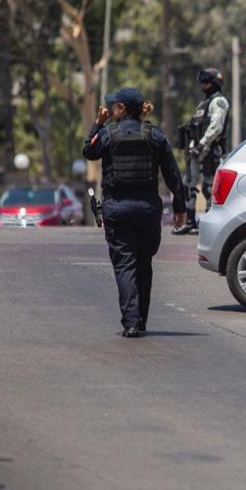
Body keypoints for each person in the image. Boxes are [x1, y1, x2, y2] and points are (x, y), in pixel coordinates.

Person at [82, 87, 187, 338]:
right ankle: (140, 320)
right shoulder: (156, 135)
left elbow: (89, 151)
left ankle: (131, 322)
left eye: (113, 105)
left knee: (125, 266)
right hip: (148, 209)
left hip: (117, 208)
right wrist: (181, 208)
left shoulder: (107, 134)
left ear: (121, 109)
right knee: (144, 265)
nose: (108, 109)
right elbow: (173, 174)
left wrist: (97, 124)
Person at [173, 68, 229, 235]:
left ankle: (208, 225)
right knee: (188, 184)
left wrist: (202, 144)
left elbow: (216, 127)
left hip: (210, 150)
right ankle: (190, 222)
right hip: (195, 151)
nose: (203, 85)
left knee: (209, 187)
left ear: (214, 82)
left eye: (206, 81)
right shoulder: (202, 105)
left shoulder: (219, 102)